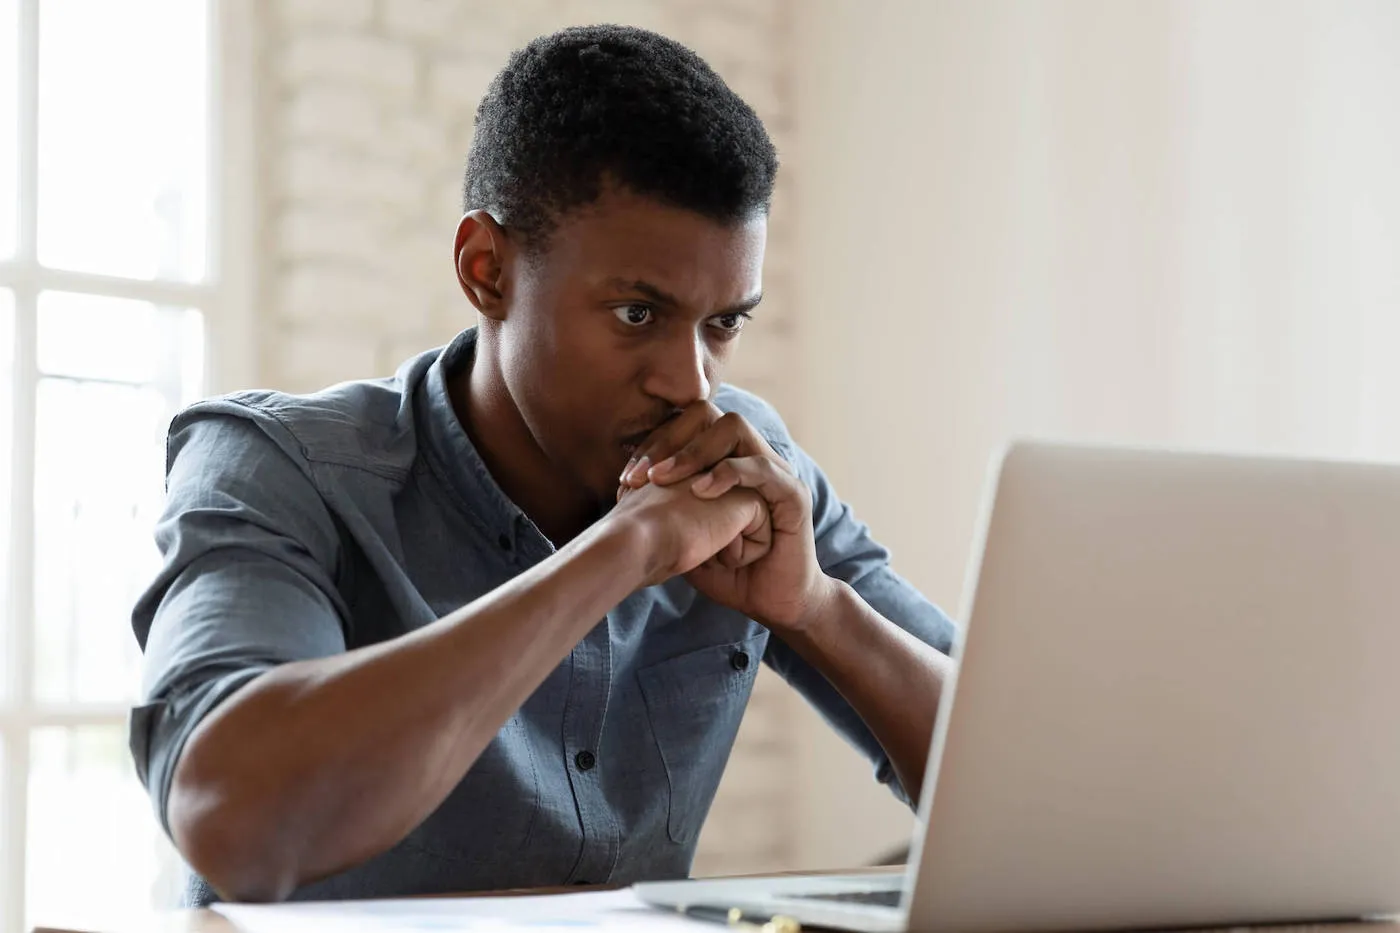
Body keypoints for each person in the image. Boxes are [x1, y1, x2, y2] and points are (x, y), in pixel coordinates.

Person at [130, 24, 955, 907]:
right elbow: (230, 819)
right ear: (487, 270)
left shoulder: (748, 470)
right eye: (638, 314)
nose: (691, 382)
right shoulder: (275, 468)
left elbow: (1019, 776)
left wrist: (818, 608)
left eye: (725, 324)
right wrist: (618, 553)